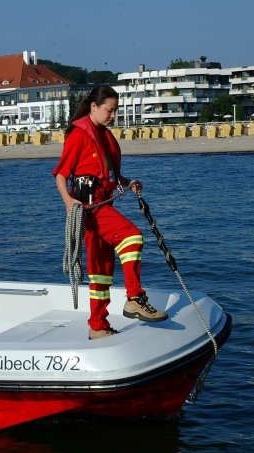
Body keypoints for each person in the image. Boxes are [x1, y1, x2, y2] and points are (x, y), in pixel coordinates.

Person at [52, 85, 167, 340]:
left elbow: (109, 175)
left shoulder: (106, 136)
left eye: (115, 111)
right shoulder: (79, 136)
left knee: (101, 271)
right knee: (132, 237)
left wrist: (127, 183)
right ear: (94, 106)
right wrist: (68, 201)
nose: (113, 116)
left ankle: (98, 326)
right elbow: (61, 174)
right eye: (109, 110)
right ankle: (135, 298)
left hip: (105, 202)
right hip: (90, 209)